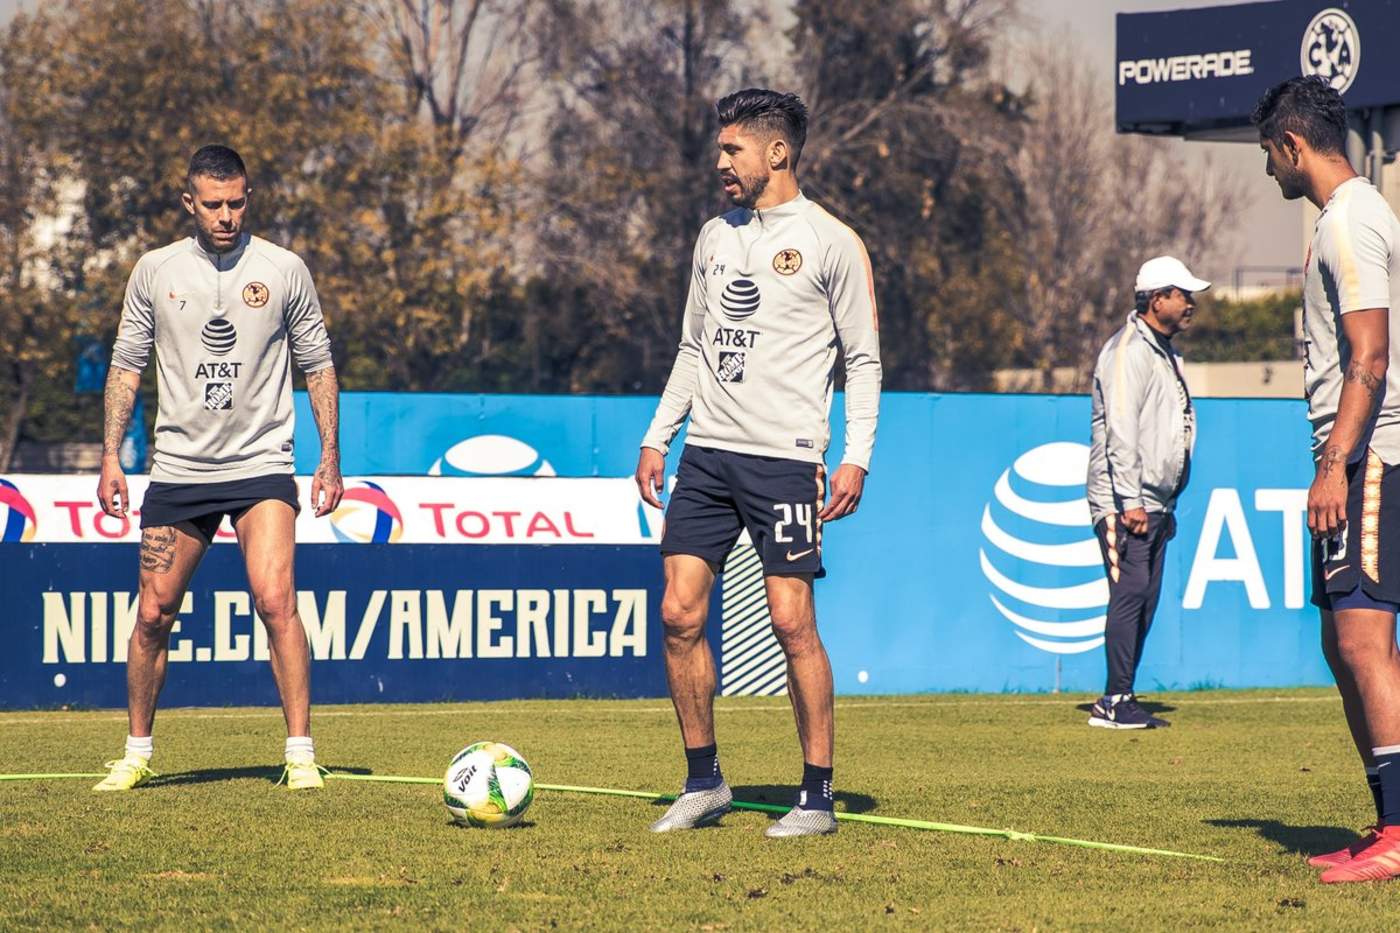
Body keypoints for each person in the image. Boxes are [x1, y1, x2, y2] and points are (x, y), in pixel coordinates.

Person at [634, 89, 881, 838]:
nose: (720, 161)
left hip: (786, 462)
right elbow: (692, 346)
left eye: (732, 148)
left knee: (790, 621)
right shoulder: (713, 236)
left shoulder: (833, 241)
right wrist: (658, 436)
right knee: (678, 612)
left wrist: (856, 457)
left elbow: (864, 360)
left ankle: (817, 797)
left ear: (776, 152)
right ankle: (704, 782)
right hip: (708, 455)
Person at [92, 145, 343, 792]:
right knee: (153, 613)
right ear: (189, 203)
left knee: (276, 599)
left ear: (248, 198)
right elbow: (126, 365)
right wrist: (110, 456)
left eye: (236, 203)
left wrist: (329, 457)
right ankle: (136, 753)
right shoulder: (155, 270)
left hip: (262, 462)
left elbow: (317, 364)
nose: (226, 216)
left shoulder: (284, 269)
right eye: (212, 204)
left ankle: (300, 753)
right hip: (179, 468)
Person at [1250, 76, 1400, 883]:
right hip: (1359, 453)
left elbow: (1370, 355)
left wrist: (1335, 463)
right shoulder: (1348, 216)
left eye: (1268, 154)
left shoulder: (1349, 221)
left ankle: (1399, 832)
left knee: (1362, 639)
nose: (1268, 169)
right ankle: (1387, 819)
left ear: (1292, 145)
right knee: (1342, 643)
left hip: (1372, 455)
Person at [1085, 256, 1205, 730]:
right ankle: (1115, 700)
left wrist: (1163, 501)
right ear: (1157, 300)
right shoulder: (1129, 350)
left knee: (1145, 598)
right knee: (1130, 593)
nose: (1190, 303)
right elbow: (1122, 429)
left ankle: (1123, 695)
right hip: (1124, 502)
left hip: (1156, 501)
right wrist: (1131, 500)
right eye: (1182, 294)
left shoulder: (1163, 351)